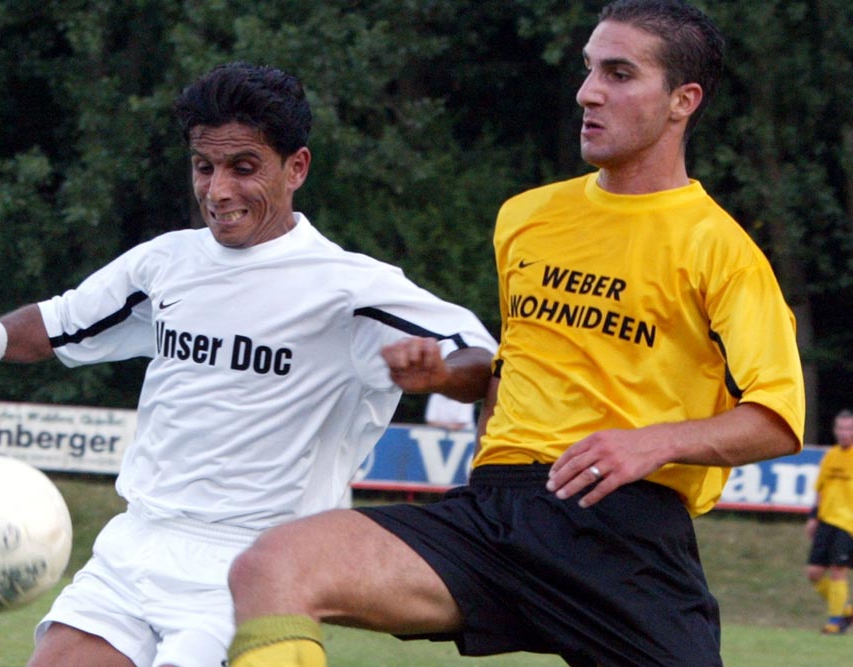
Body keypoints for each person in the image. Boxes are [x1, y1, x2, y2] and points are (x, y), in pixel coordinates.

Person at [224, 2, 805, 666]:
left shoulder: (721, 250)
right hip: (496, 516)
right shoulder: (527, 217)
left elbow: (777, 418)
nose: (588, 92)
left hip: (623, 536)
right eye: (589, 69)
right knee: (274, 565)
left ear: (683, 100)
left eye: (619, 74)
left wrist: (651, 443)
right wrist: (448, 377)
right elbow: (516, 367)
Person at [0, 62, 496, 667]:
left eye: (243, 167)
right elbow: (61, 321)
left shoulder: (351, 287)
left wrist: (441, 376)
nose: (218, 191)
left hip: (256, 565)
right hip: (136, 544)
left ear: (297, 168)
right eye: (204, 167)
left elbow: (482, 359)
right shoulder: (166, 263)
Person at [805, 409, 853, 634]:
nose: (844, 432)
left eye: (849, 428)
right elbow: (820, 488)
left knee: (838, 570)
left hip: (848, 524)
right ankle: (844, 609)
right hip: (826, 521)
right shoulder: (831, 455)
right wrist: (813, 517)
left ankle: (835, 622)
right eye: (840, 428)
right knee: (814, 573)